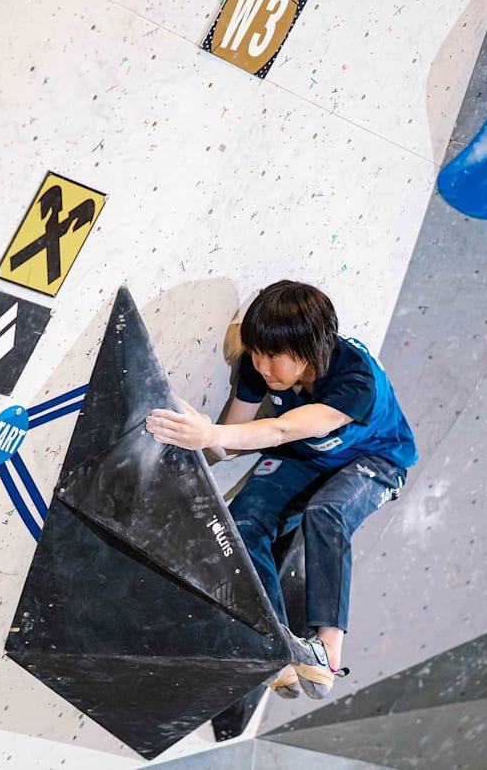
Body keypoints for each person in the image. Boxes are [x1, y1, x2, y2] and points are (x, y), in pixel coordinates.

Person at [145, 280, 417, 700]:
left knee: (327, 512)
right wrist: (191, 427)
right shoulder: (261, 368)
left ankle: (327, 652)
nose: (261, 365)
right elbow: (227, 445)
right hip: (305, 459)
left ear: (308, 351)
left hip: (377, 461)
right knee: (241, 524)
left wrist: (213, 435)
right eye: (256, 353)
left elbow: (281, 429)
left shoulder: (355, 378)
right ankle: (273, 641)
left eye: (272, 356)